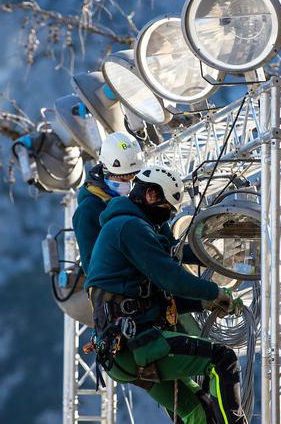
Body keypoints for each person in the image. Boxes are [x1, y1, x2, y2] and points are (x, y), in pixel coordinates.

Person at [85, 165, 246, 424]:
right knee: (222, 360)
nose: (167, 217)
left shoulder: (127, 228)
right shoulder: (130, 227)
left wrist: (204, 301)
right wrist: (214, 291)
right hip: (139, 343)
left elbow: (157, 298)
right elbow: (170, 278)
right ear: (150, 195)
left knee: (198, 411)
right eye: (168, 209)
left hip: (124, 352)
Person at [72, 131, 144, 271]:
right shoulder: (88, 210)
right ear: (106, 170)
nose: (129, 184)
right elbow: (92, 267)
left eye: (133, 178)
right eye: (123, 179)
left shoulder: (135, 199)